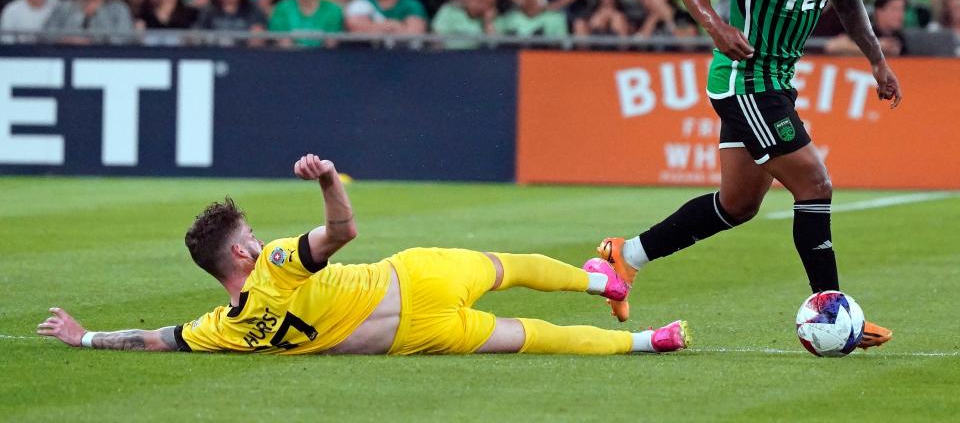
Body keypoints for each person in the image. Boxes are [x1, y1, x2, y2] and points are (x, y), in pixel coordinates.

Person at [591, 0, 900, 351]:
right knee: (815, 184)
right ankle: (834, 310)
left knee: (737, 205)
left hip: (774, 83)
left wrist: (877, 60)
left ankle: (627, 254)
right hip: (746, 81)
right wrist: (716, 27)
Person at [37, 153, 690, 356]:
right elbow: (343, 232)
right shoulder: (278, 264)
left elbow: (154, 340)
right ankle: (600, 282)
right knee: (511, 266)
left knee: (531, 339)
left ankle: (648, 342)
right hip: (414, 277)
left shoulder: (224, 329)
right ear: (242, 250)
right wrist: (327, 179)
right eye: (253, 234)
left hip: (416, 334)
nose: (261, 240)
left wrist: (86, 335)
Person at [826, 0, 908, 57]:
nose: (900, 15)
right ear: (879, 11)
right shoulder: (863, 32)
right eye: (895, 9)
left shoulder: (902, 38)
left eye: (902, 10)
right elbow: (832, 46)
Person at [431, 0, 500, 49]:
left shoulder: (490, 20)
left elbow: (493, 45)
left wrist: (488, 23)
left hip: (474, 57)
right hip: (447, 54)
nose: (482, 6)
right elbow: (436, 38)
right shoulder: (449, 10)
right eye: (481, 0)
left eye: (488, 3)